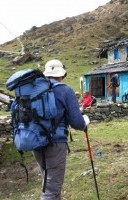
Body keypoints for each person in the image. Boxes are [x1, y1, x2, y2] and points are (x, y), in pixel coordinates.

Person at [33, 59, 90, 200]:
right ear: (61, 74)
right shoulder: (65, 90)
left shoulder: (35, 90)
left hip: (35, 141)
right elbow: (77, 122)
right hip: (55, 144)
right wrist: (85, 123)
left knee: (49, 181)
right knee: (51, 188)